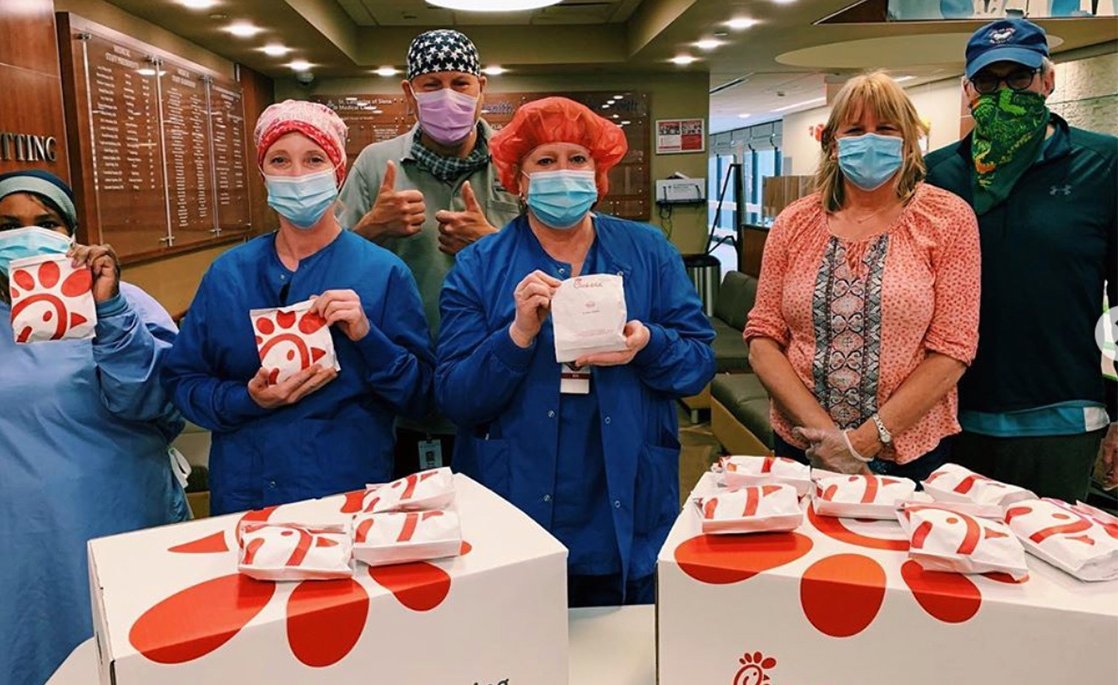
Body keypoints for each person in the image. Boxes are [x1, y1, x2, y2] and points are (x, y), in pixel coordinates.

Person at [435, 97, 714, 607]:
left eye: (577, 159)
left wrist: (647, 343)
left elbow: (697, 364)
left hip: (624, 487)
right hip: (515, 491)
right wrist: (516, 335)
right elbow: (453, 397)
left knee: (621, 645)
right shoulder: (479, 266)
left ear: (598, 173)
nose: (563, 173)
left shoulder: (648, 252)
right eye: (544, 161)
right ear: (517, 180)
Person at [0, 170, 189, 685]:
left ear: (71, 232)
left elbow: (162, 407)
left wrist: (109, 312)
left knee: (129, 659)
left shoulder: (127, 307)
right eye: (9, 224)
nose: (27, 234)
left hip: (115, 537)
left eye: (45, 221)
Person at [161, 101, 433, 515]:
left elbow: (422, 395)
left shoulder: (382, 273)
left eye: (313, 159)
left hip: (344, 498)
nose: (297, 175)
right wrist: (246, 399)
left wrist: (367, 336)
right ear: (263, 174)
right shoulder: (228, 275)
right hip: (245, 497)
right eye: (280, 160)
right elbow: (183, 382)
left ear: (338, 171)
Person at [745, 72, 981, 481]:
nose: (870, 139)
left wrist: (865, 442)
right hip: (803, 447)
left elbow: (953, 349)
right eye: (855, 129)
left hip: (908, 456)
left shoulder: (947, 219)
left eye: (885, 129)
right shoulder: (794, 223)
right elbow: (764, 339)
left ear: (909, 142)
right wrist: (829, 440)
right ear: (832, 143)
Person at [925, 18, 1118, 499]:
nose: (1003, 91)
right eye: (988, 81)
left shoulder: (1104, 165)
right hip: (949, 413)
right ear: (969, 90)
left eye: (1019, 77)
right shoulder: (938, 175)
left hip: (1062, 416)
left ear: (1047, 81)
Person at [337, 29, 521, 476]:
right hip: (398, 383)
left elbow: (556, 267)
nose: (448, 96)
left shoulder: (518, 163)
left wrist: (493, 245)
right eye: (431, 84)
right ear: (409, 92)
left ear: (482, 90)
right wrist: (370, 229)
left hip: (499, 377)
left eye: (460, 83)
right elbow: (326, 271)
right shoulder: (375, 164)